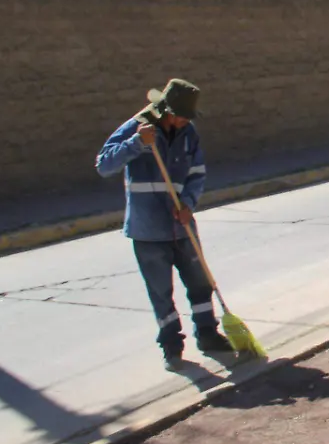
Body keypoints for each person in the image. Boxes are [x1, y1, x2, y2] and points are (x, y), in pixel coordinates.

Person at [96, 79, 232, 371]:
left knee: (200, 282)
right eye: (180, 116)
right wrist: (136, 144)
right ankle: (172, 347)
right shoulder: (137, 127)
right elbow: (104, 165)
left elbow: (197, 173)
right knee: (161, 292)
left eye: (187, 117)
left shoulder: (189, 134)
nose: (184, 121)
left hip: (182, 224)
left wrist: (188, 204)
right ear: (166, 110)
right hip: (148, 229)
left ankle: (208, 334)